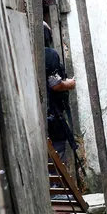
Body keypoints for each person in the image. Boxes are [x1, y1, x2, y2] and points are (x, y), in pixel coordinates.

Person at [43, 22, 76, 163]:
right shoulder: (49, 54)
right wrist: (69, 84)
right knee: (57, 156)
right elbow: (55, 85)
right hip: (52, 113)